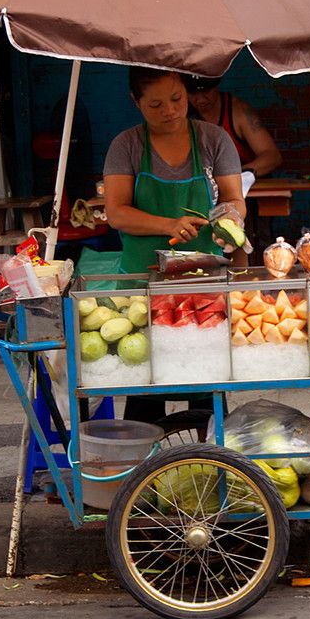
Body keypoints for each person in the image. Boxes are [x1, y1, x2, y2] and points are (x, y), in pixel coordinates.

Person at [104, 66, 245, 423]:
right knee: (143, 383)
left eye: (176, 99)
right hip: (142, 282)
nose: (169, 110)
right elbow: (117, 212)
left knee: (205, 383)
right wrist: (169, 224)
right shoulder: (127, 145)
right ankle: (144, 471)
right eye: (155, 104)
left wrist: (228, 220)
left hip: (201, 283)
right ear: (135, 103)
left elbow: (233, 198)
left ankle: (215, 468)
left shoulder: (213, 139)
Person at [184, 75, 282, 265]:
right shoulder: (186, 117)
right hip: (207, 199)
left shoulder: (238, 111)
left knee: (248, 245)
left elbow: (272, 156)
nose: (201, 99)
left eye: (206, 91)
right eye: (193, 93)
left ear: (217, 86)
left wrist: (238, 173)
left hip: (246, 196)